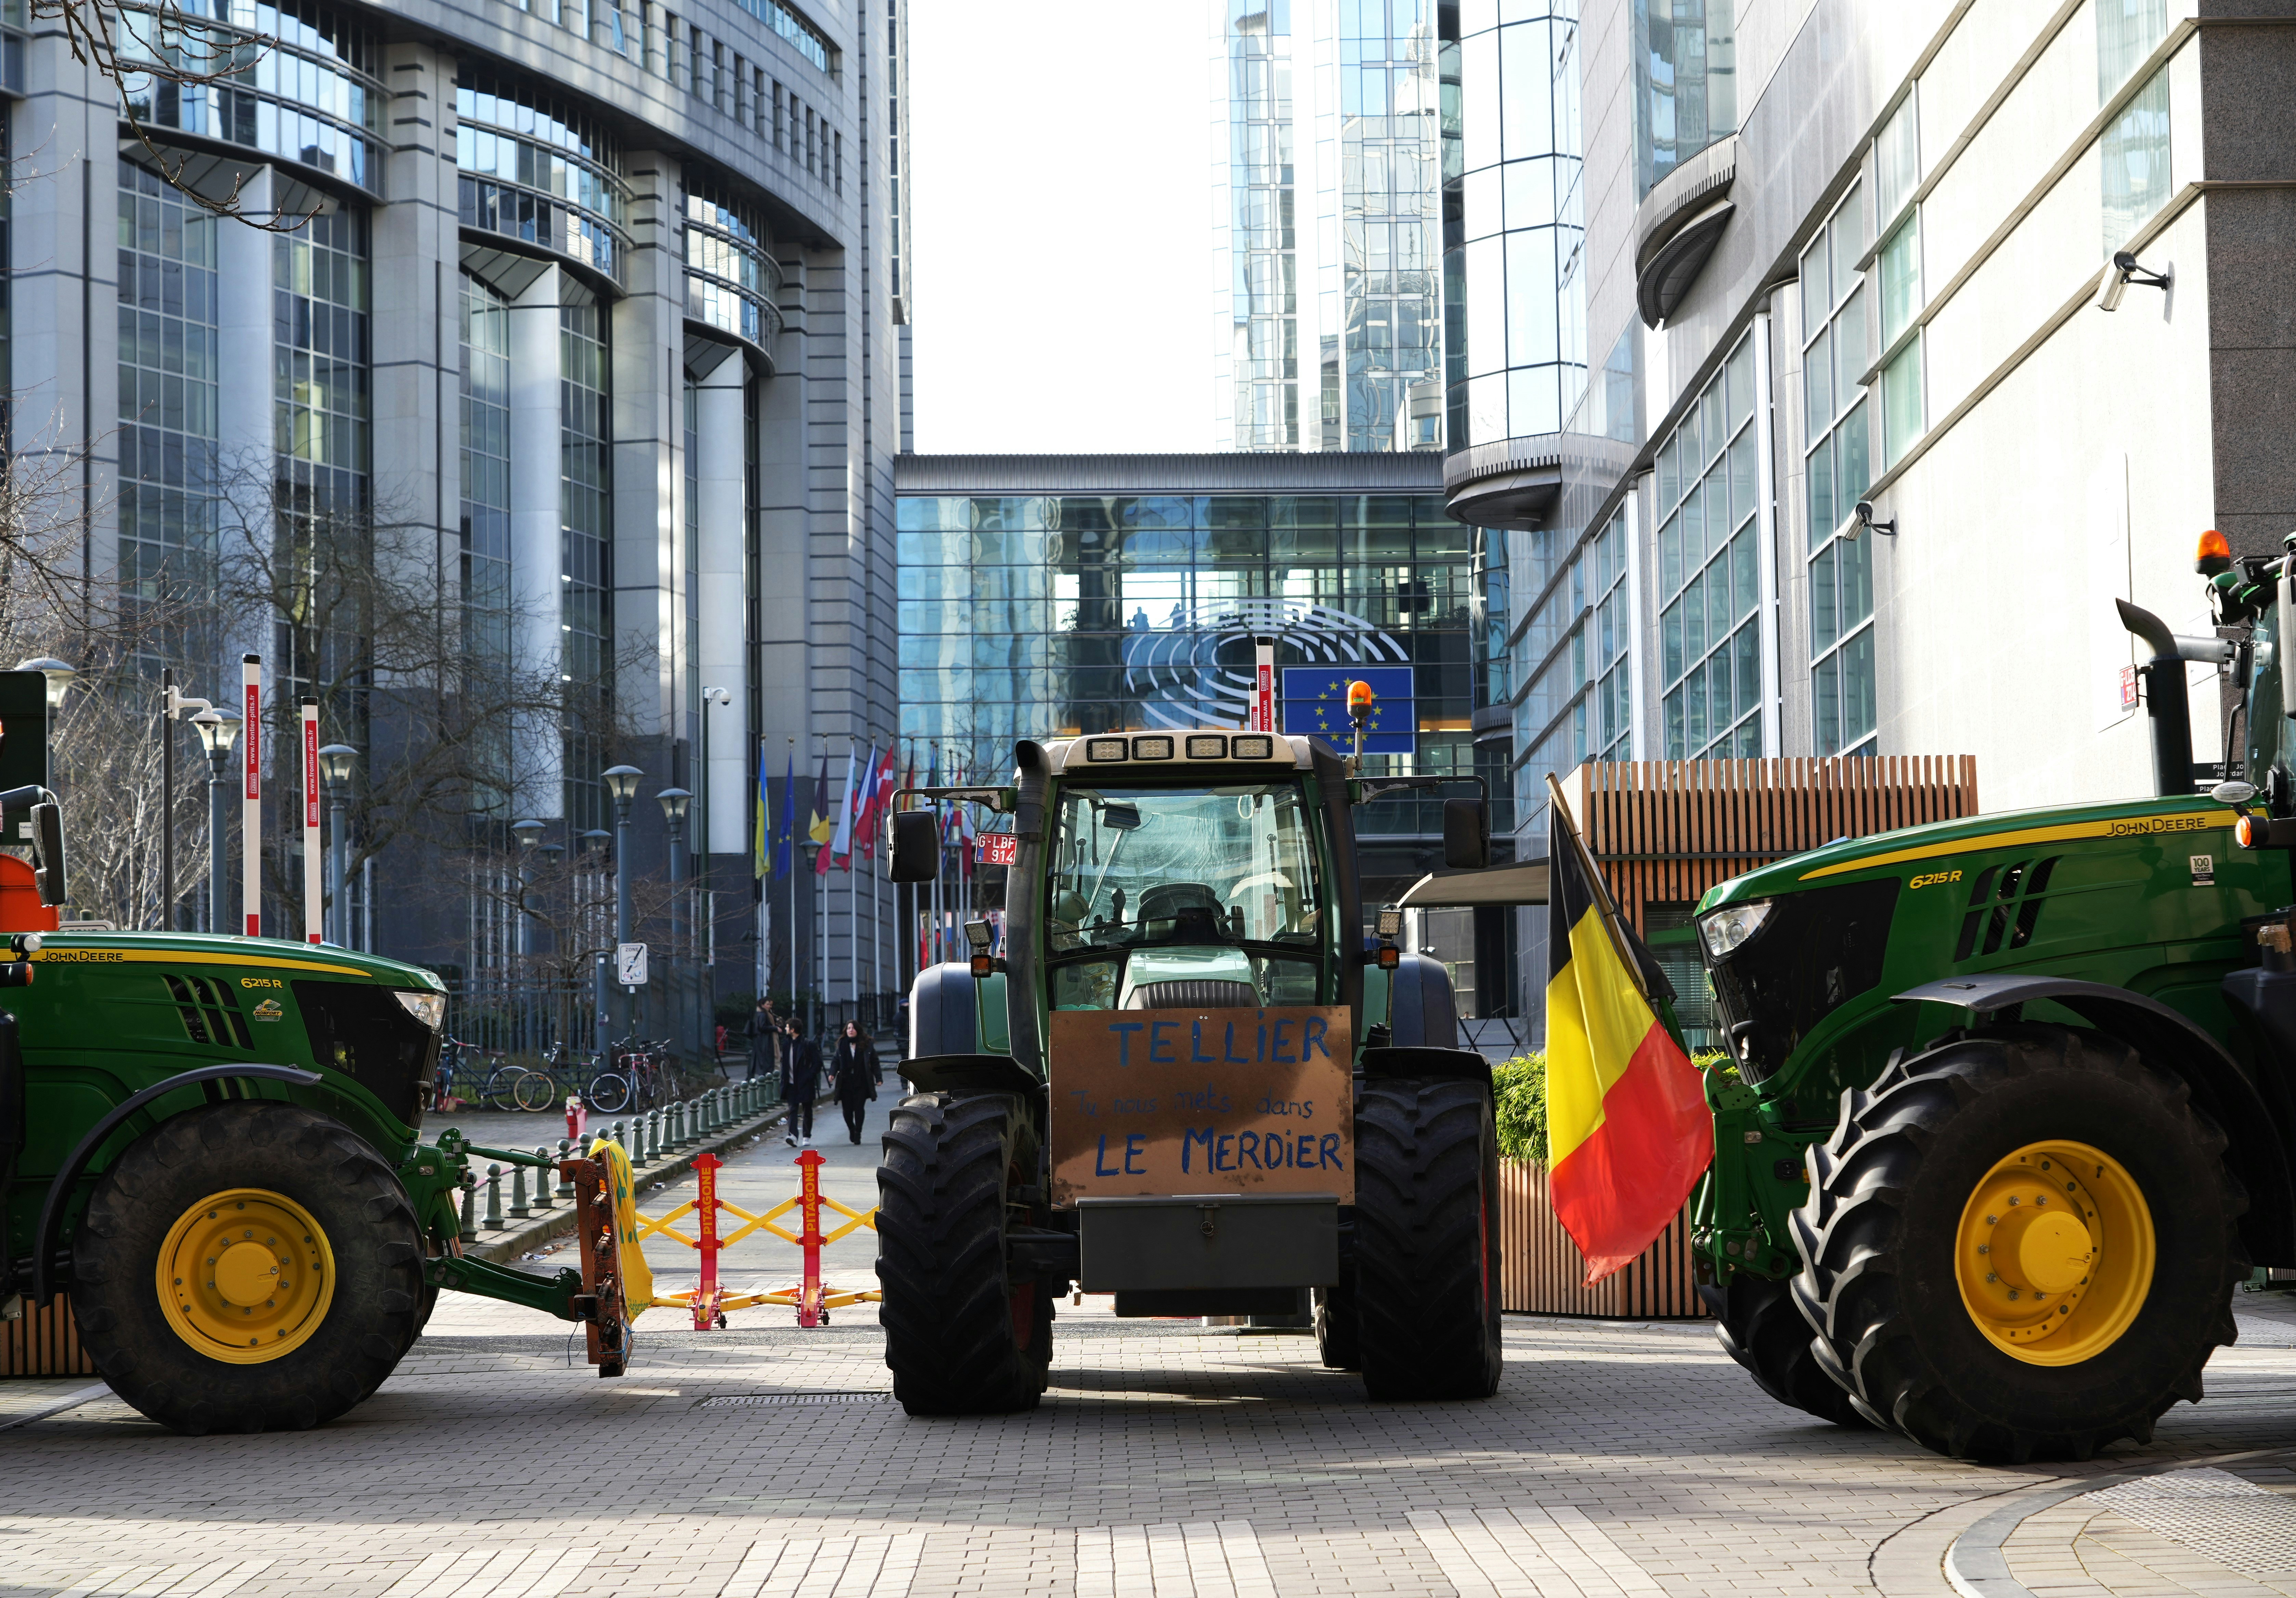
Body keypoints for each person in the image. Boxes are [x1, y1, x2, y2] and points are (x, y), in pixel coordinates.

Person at [830, 1020, 880, 1144]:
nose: (850, 1030)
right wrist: (832, 1074)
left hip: (861, 1081)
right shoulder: (842, 1044)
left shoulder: (866, 1044)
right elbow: (836, 1060)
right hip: (846, 1082)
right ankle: (852, 1129)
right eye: (848, 1028)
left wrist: (879, 1078)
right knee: (847, 1111)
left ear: (858, 1030)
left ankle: (858, 1132)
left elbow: (874, 1062)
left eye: (853, 1028)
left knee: (859, 1108)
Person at [781, 1019, 822, 1147]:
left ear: (793, 1030)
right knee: (792, 1109)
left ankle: (806, 1136)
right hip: (791, 1083)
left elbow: (818, 1063)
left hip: (805, 1083)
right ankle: (793, 1135)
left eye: (787, 1027)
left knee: (807, 1109)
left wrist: (809, 1076)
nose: (786, 1029)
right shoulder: (787, 1044)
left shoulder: (808, 1044)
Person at [743, 998, 778, 1082]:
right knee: (765, 1060)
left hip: (759, 1040)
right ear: (762, 1005)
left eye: (770, 1005)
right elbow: (762, 1027)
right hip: (764, 1040)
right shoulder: (763, 1014)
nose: (770, 1007)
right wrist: (774, 1028)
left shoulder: (759, 1014)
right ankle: (765, 1077)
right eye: (768, 1004)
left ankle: (751, 1077)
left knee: (756, 1059)